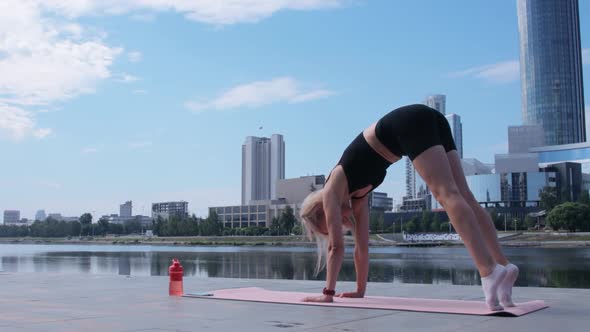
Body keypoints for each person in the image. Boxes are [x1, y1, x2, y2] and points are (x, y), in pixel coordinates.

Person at [299, 104, 519, 311]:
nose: (338, 224)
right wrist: (359, 290)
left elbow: (335, 248)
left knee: (446, 194)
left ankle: (488, 270)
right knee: (464, 196)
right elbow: (362, 248)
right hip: (431, 120)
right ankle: (504, 266)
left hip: (410, 123)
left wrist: (327, 293)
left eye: (329, 224)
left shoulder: (331, 190)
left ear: (320, 211)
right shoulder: (357, 196)